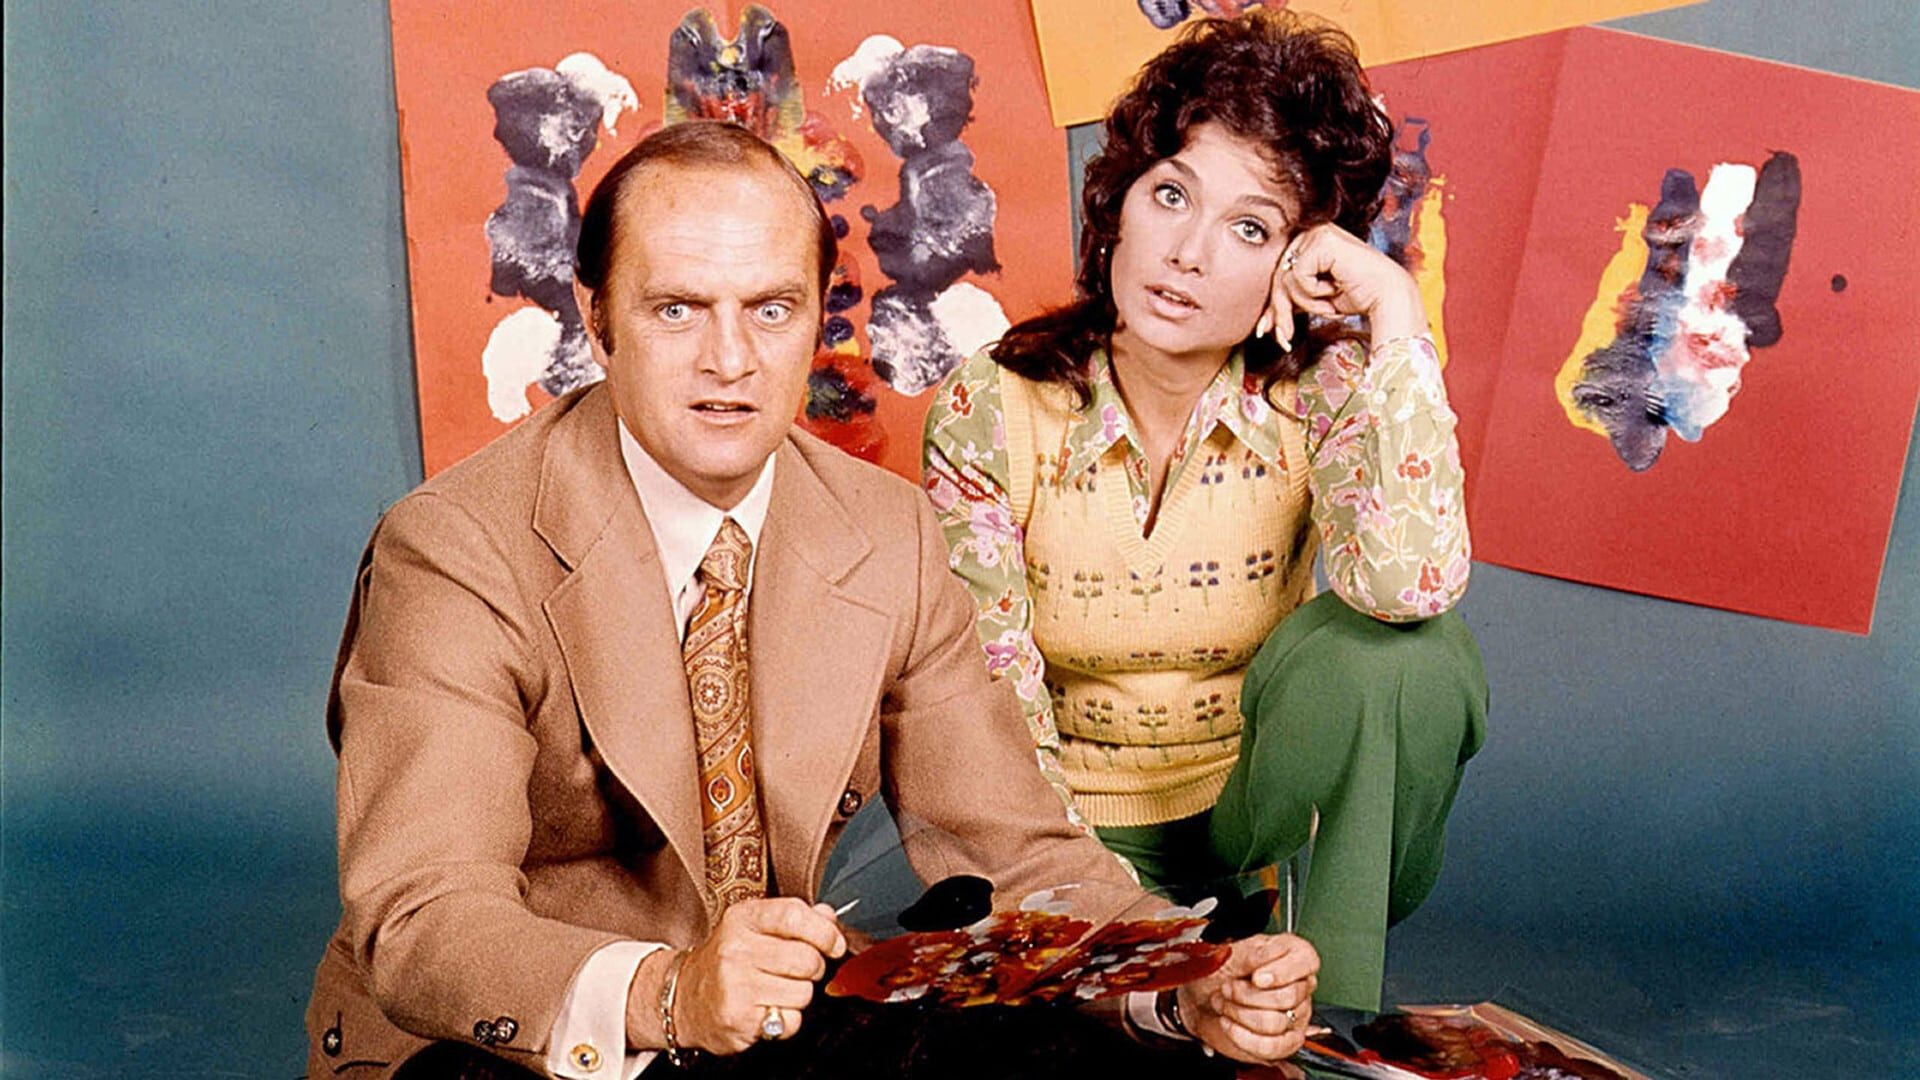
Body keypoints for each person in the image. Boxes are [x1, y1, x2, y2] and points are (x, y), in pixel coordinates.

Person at [304, 120, 1320, 1080]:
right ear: (596, 318)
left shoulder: (888, 531)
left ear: (821, 316)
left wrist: (1180, 984)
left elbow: (1013, 848)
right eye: (677, 309)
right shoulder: (453, 547)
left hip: (770, 1027)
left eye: (771, 309)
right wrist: (668, 993)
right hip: (523, 1043)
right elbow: (425, 914)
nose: (730, 361)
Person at [922, 11, 1489, 1012]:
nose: (1187, 252)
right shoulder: (994, 403)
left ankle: (1321, 1001)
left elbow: (1411, 586)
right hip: (1061, 830)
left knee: (1412, 656)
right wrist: (1098, 909)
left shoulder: (1317, 392)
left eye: (1250, 227)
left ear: (1300, 262)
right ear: (1120, 203)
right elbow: (989, 691)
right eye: (1172, 195)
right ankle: (1187, 981)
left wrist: (1395, 311)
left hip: (1251, 815)